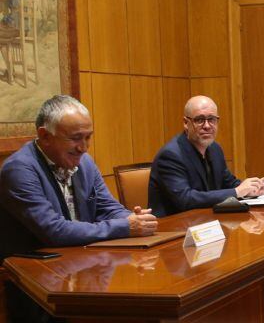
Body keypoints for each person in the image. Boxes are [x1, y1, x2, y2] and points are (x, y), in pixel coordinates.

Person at [0, 95, 157, 321]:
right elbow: (55, 231)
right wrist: (124, 226)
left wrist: (134, 218)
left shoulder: (85, 162)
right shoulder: (19, 170)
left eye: (88, 137)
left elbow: (107, 207)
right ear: (45, 136)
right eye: (75, 138)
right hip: (36, 287)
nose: (83, 147)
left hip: (82, 268)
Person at [148, 95, 264, 217]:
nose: (207, 126)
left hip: (206, 223)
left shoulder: (214, 149)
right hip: (173, 228)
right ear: (186, 123)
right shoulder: (171, 155)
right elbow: (185, 200)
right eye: (200, 120)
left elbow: (229, 183)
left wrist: (253, 189)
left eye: (211, 119)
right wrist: (237, 192)